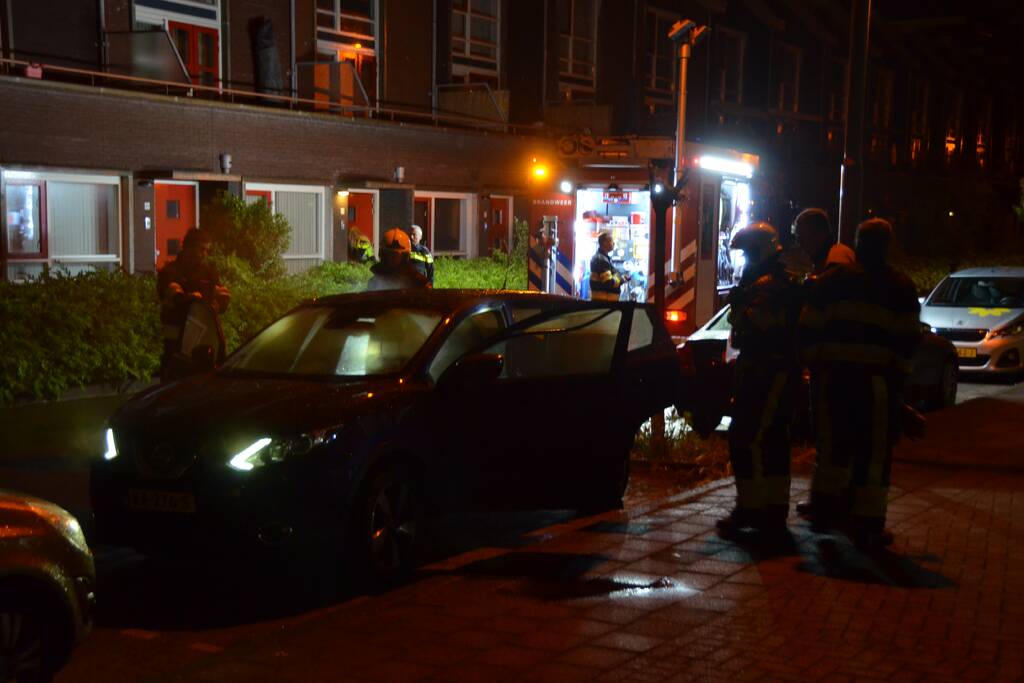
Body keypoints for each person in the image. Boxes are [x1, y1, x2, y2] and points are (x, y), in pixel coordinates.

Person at [798, 218, 921, 552]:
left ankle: (824, 514)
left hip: (834, 383)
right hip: (877, 388)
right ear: (887, 247)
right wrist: (898, 385)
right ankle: (868, 527)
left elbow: (808, 330)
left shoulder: (831, 282)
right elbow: (908, 344)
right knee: (873, 456)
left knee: (832, 449)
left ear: (857, 242)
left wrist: (818, 366)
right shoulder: (901, 288)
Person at [717, 222, 803, 543]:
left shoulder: (771, 284)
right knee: (770, 440)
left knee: (749, 436)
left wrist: (740, 306)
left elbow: (755, 324)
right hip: (767, 367)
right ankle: (768, 511)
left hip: (769, 368)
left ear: (761, 250)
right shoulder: (776, 279)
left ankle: (755, 510)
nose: (746, 260)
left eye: (749, 252)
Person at [156, 228, 230, 379]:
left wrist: (218, 303)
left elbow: (222, 302)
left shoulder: (209, 274)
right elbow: (174, 296)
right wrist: (198, 298)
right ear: (189, 246)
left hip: (204, 349)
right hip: (175, 350)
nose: (205, 254)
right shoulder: (170, 273)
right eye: (202, 249)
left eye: (207, 250)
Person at [787, 208, 856, 279]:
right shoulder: (834, 254)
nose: (799, 243)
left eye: (802, 236)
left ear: (820, 233)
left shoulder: (835, 263)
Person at [589, 231, 631, 301]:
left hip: (604, 300)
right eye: (611, 241)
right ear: (605, 243)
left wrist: (620, 277)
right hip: (604, 301)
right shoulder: (601, 259)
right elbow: (608, 283)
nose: (613, 243)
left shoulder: (602, 258)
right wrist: (621, 279)